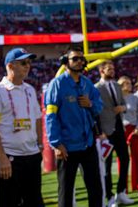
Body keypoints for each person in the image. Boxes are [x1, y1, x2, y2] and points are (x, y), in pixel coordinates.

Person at [44, 49, 104, 207]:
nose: (79, 61)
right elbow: (51, 116)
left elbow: (99, 106)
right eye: (75, 58)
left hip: (88, 144)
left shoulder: (87, 83)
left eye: (81, 59)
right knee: (66, 191)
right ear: (65, 62)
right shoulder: (57, 84)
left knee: (95, 189)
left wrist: (90, 104)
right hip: (67, 147)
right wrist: (56, 143)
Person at [0, 48, 43, 207]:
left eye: (29, 62)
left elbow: (38, 119)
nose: (28, 66)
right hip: (10, 158)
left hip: (32, 156)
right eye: (23, 62)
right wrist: (2, 157)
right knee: (7, 202)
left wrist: (40, 146)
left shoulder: (30, 89)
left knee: (34, 202)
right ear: (10, 66)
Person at [95, 61, 133, 206]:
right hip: (106, 131)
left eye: (113, 69)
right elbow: (96, 112)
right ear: (101, 71)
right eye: (109, 69)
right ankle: (110, 196)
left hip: (119, 128)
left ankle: (121, 192)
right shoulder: (96, 88)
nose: (112, 71)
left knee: (125, 159)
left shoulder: (117, 86)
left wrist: (122, 107)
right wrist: (100, 132)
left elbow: (124, 104)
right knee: (107, 165)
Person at [117, 76, 138, 194]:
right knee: (121, 160)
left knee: (137, 157)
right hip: (120, 131)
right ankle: (123, 189)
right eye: (125, 83)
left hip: (134, 131)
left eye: (129, 83)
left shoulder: (135, 98)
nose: (128, 85)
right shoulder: (116, 99)